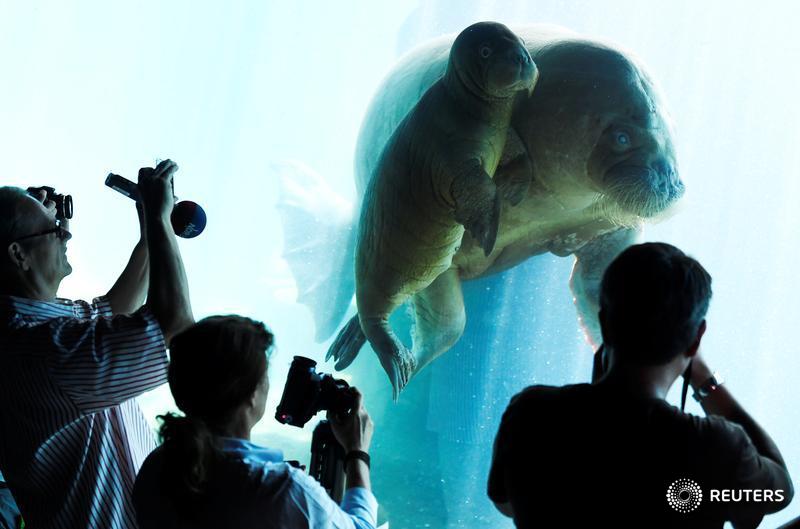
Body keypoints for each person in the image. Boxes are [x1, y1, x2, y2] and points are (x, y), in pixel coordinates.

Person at [487, 242, 793, 528]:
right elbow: (778, 494)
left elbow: (507, 503)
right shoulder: (716, 447)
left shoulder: (531, 413)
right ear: (696, 338)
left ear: (604, 322)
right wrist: (705, 381)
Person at [0, 159, 193, 529]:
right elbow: (174, 326)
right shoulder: (38, 350)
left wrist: (154, 232)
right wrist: (157, 219)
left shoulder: (36, 327)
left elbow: (113, 310)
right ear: (17, 254)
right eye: (53, 230)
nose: (66, 235)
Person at [133, 315, 378, 529]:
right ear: (252, 395)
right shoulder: (283, 490)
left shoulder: (157, 467)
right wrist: (357, 453)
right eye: (265, 376)